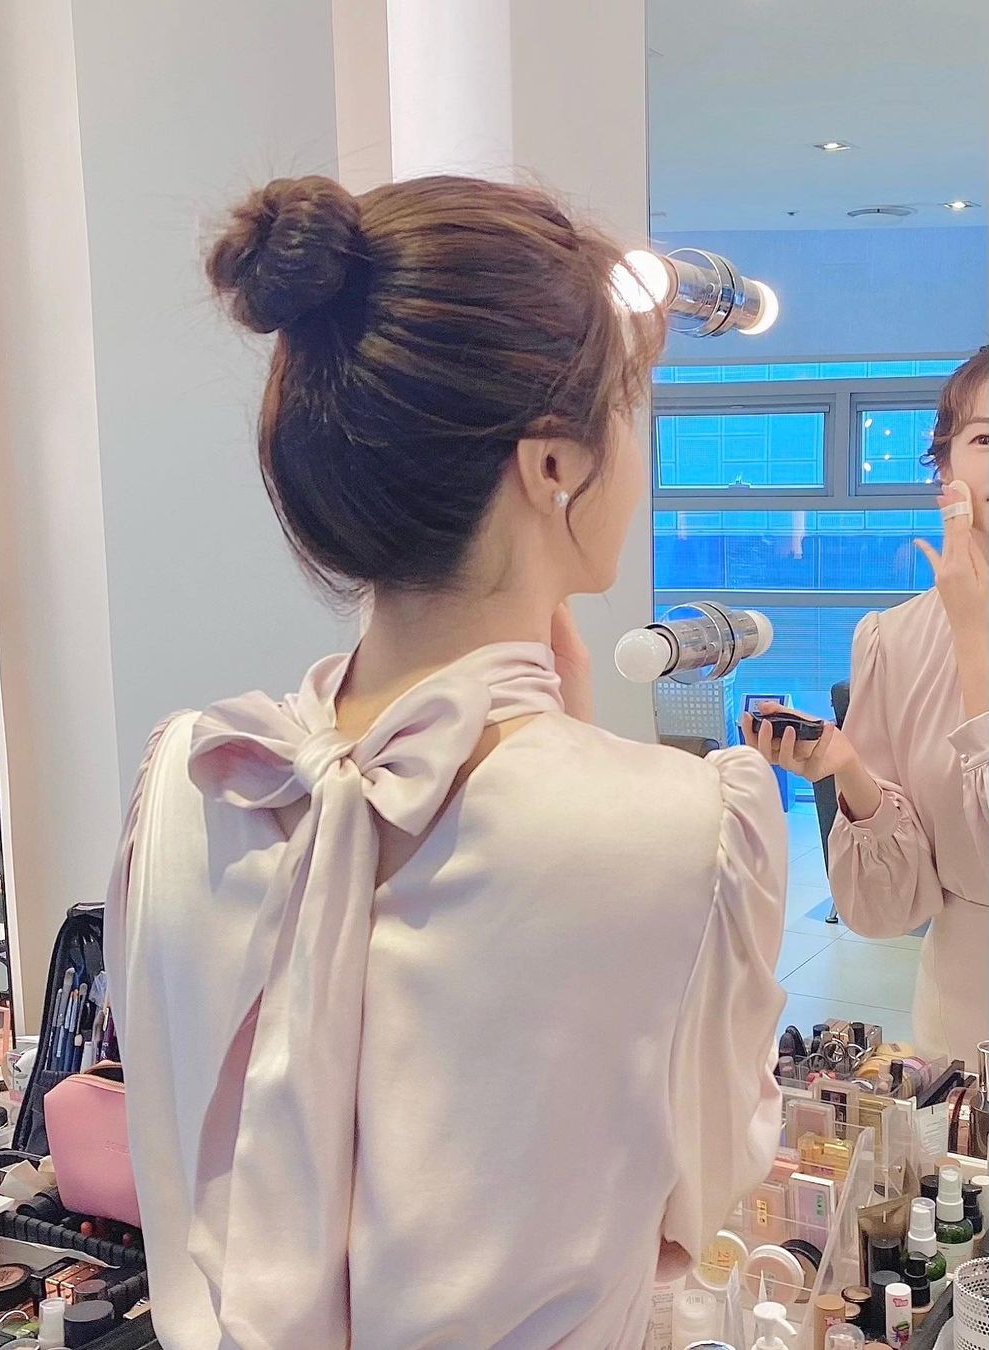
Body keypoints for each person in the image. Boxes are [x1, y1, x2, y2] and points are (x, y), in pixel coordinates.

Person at [104, 174, 788, 1350]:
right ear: (554, 464)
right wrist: (595, 772)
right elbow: (695, 1203)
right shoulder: (691, 829)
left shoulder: (192, 774)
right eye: (630, 410)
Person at [745, 348, 988, 1068]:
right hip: (964, 1016)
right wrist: (848, 771)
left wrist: (974, 633)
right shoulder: (893, 640)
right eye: (988, 438)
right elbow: (888, 908)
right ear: (944, 471)